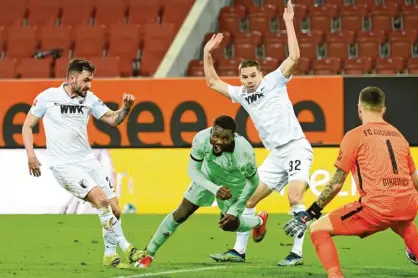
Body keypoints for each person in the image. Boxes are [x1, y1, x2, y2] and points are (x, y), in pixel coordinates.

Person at [283, 87, 418, 278]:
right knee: (403, 222)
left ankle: (335, 275)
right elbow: (416, 181)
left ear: (359, 108)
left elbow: (336, 183)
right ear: (383, 109)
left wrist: (310, 213)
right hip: (407, 205)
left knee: (318, 229)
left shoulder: (355, 135)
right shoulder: (399, 135)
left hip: (377, 207)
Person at [202, 0, 313, 266]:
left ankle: (296, 253)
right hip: (275, 155)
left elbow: (295, 58)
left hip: (296, 147)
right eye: (244, 77)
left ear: (260, 73)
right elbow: (212, 82)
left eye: (253, 75)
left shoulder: (275, 81)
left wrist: (288, 22)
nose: (249, 80)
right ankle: (238, 252)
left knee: (294, 197)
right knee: (247, 199)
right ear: (240, 78)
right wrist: (207, 53)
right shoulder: (241, 94)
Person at [22, 58, 145, 268]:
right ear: (72, 78)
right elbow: (27, 126)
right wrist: (31, 155)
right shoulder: (47, 97)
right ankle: (128, 248)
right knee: (101, 200)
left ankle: (109, 255)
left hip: (88, 161)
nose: (89, 85)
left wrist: (126, 107)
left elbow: (113, 120)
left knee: (115, 209)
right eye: (86, 80)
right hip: (64, 165)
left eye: (91, 81)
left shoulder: (90, 98)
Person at [134, 115, 267, 268]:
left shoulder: (244, 153)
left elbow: (253, 182)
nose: (218, 141)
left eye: (225, 138)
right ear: (212, 130)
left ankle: (259, 221)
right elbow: (193, 169)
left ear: (233, 137)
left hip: (234, 185)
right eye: (216, 136)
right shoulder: (201, 139)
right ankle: (149, 254)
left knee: (228, 225)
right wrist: (214, 188)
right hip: (207, 176)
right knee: (182, 212)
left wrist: (236, 209)